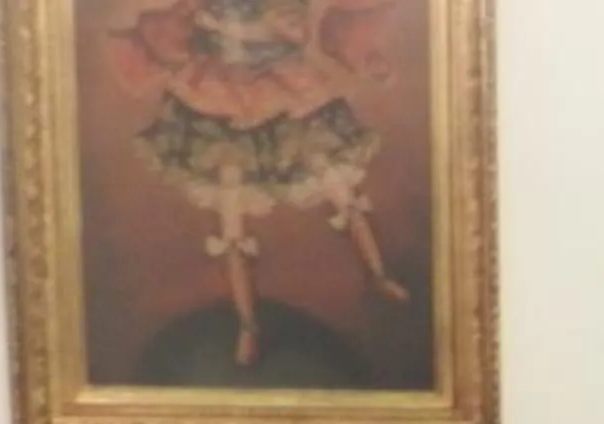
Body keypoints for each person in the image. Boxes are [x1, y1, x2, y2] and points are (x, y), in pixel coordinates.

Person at [106, 0, 411, 369]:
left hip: (283, 90)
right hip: (218, 98)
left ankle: (378, 275)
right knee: (231, 217)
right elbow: (181, 29)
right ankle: (247, 323)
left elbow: (295, 32)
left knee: (338, 185)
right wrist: (197, 29)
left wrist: (250, 26)